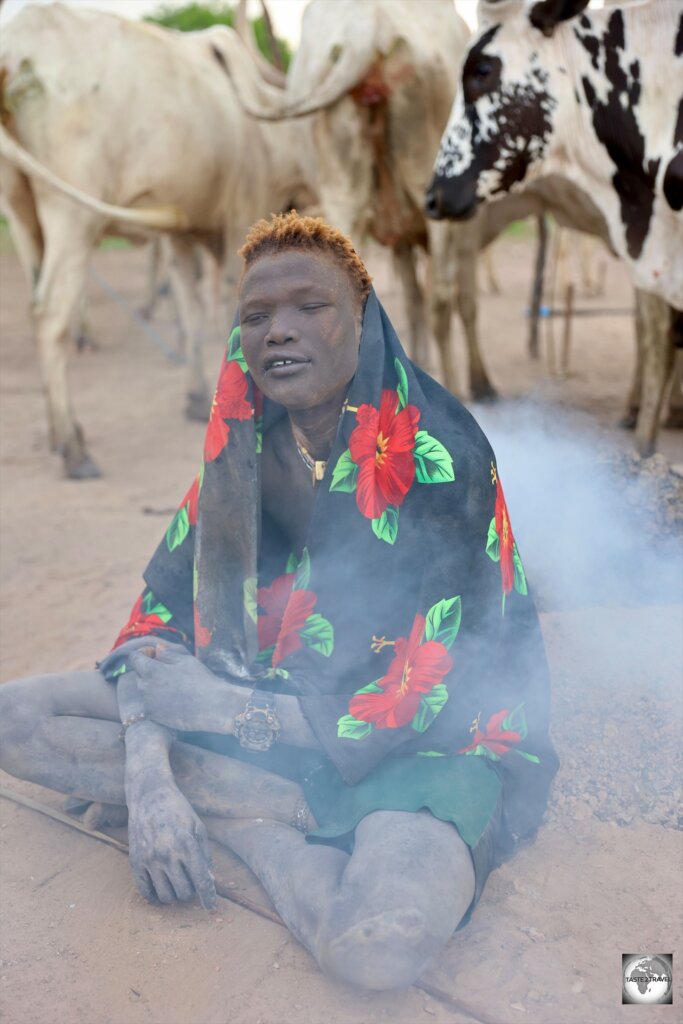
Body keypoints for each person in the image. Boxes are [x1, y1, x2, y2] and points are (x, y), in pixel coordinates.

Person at [0, 213, 558, 991]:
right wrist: (149, 781)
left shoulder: (435, 454)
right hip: (249, 704)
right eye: (256, 316)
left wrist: (226, 716)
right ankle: (257, 809)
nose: (278, 333)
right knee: (12, 717)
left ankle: (252, 832)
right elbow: (154, 631)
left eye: (310, 307)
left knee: (374, 947)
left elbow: (438, 688)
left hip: (427, 748)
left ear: (361, 319)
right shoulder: (243, 443)